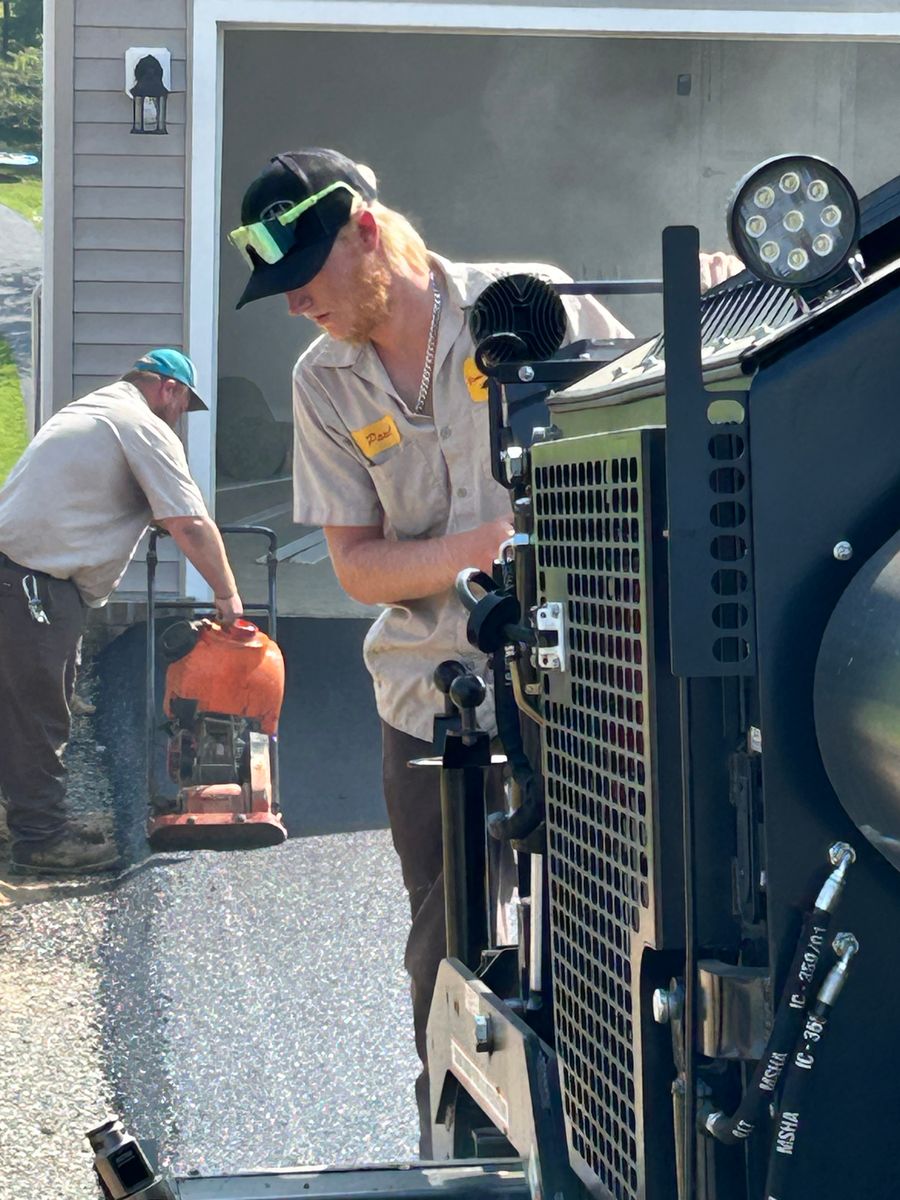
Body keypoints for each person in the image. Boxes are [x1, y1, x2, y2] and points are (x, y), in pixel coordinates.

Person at [229, 148, 739, 1151]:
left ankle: (609, 1135)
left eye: (304, 280)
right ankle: (451, 1142)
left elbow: (645, 420)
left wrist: (717, 308)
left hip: (580, 679)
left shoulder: (525, 304)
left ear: (365, 233)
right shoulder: (324, 382)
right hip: (427, 693)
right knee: (448, 935)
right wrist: (485, 550)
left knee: (613, 914)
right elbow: (359, 568)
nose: (295, 308)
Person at [0, 348, 244, 876]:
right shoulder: (141, 424)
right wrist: (227, 595)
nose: (179, 416)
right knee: (37, 715)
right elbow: (191, 523)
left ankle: (30, 816)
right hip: (31, 583)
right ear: (167, 389)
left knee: (23, 705)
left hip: (20, 574)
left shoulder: (96, 410)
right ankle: (41, 842)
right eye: (183, 404)